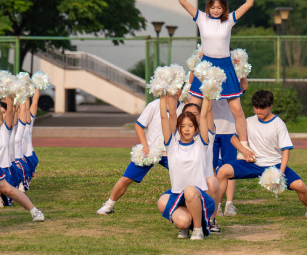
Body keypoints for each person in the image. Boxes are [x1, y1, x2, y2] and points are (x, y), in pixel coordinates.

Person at [216, 90, 307, 220]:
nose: (259, 111)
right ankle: (217, 208)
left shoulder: (279, 124)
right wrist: (244, 151)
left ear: (270, 106)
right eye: (256, 107)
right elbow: (234, 139)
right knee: (222, 171)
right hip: (252, 164)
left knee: (300, 186)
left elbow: (286, 151)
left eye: (262, 107)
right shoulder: (249, 121)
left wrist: (280, 173)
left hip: (274, 165)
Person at [175, 0, 256, 161]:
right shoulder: (201, 18)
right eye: (213, 7)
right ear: (208, 7)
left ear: (224, 8)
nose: (216, 10)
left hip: (226, 67)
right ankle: (184, 142)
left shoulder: (229, 20)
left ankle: (244, 147)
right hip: (205, 67)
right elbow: (183, 1)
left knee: (237, 110)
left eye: (219, 7)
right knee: (192, 107)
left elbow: (248, 4)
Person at [97, 97, 181, 215]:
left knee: (185, 178)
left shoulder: (183, 107)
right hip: (150, 151)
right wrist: (145, 146)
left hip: (171, 152)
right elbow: (139, 126)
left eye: (180, 88)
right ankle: (109, 205)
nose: (177, 91)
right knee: (127, 178)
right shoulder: (154, 105)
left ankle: (189, 205)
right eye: (174, 88)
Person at [156, 93, 214, 240]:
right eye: (183, 126)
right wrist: (162, 94)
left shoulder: (201, 144)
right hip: (178, 195)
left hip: (197, 195)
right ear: (178, 128)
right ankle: (185, 227)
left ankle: (198, 230)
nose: (187, 129)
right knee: (165, 204)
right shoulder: (172, 146)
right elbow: (164, 117)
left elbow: (204, 116)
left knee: (189, 190)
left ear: (196, 128)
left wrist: (208, 93)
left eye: (190, 126)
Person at [212, 99, 238, 217]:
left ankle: (229, 204)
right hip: (211, 128)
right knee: (211, 168)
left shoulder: (232, 85)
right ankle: (215, 205)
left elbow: (243, 89)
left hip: (230, 128)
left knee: (231, 168)